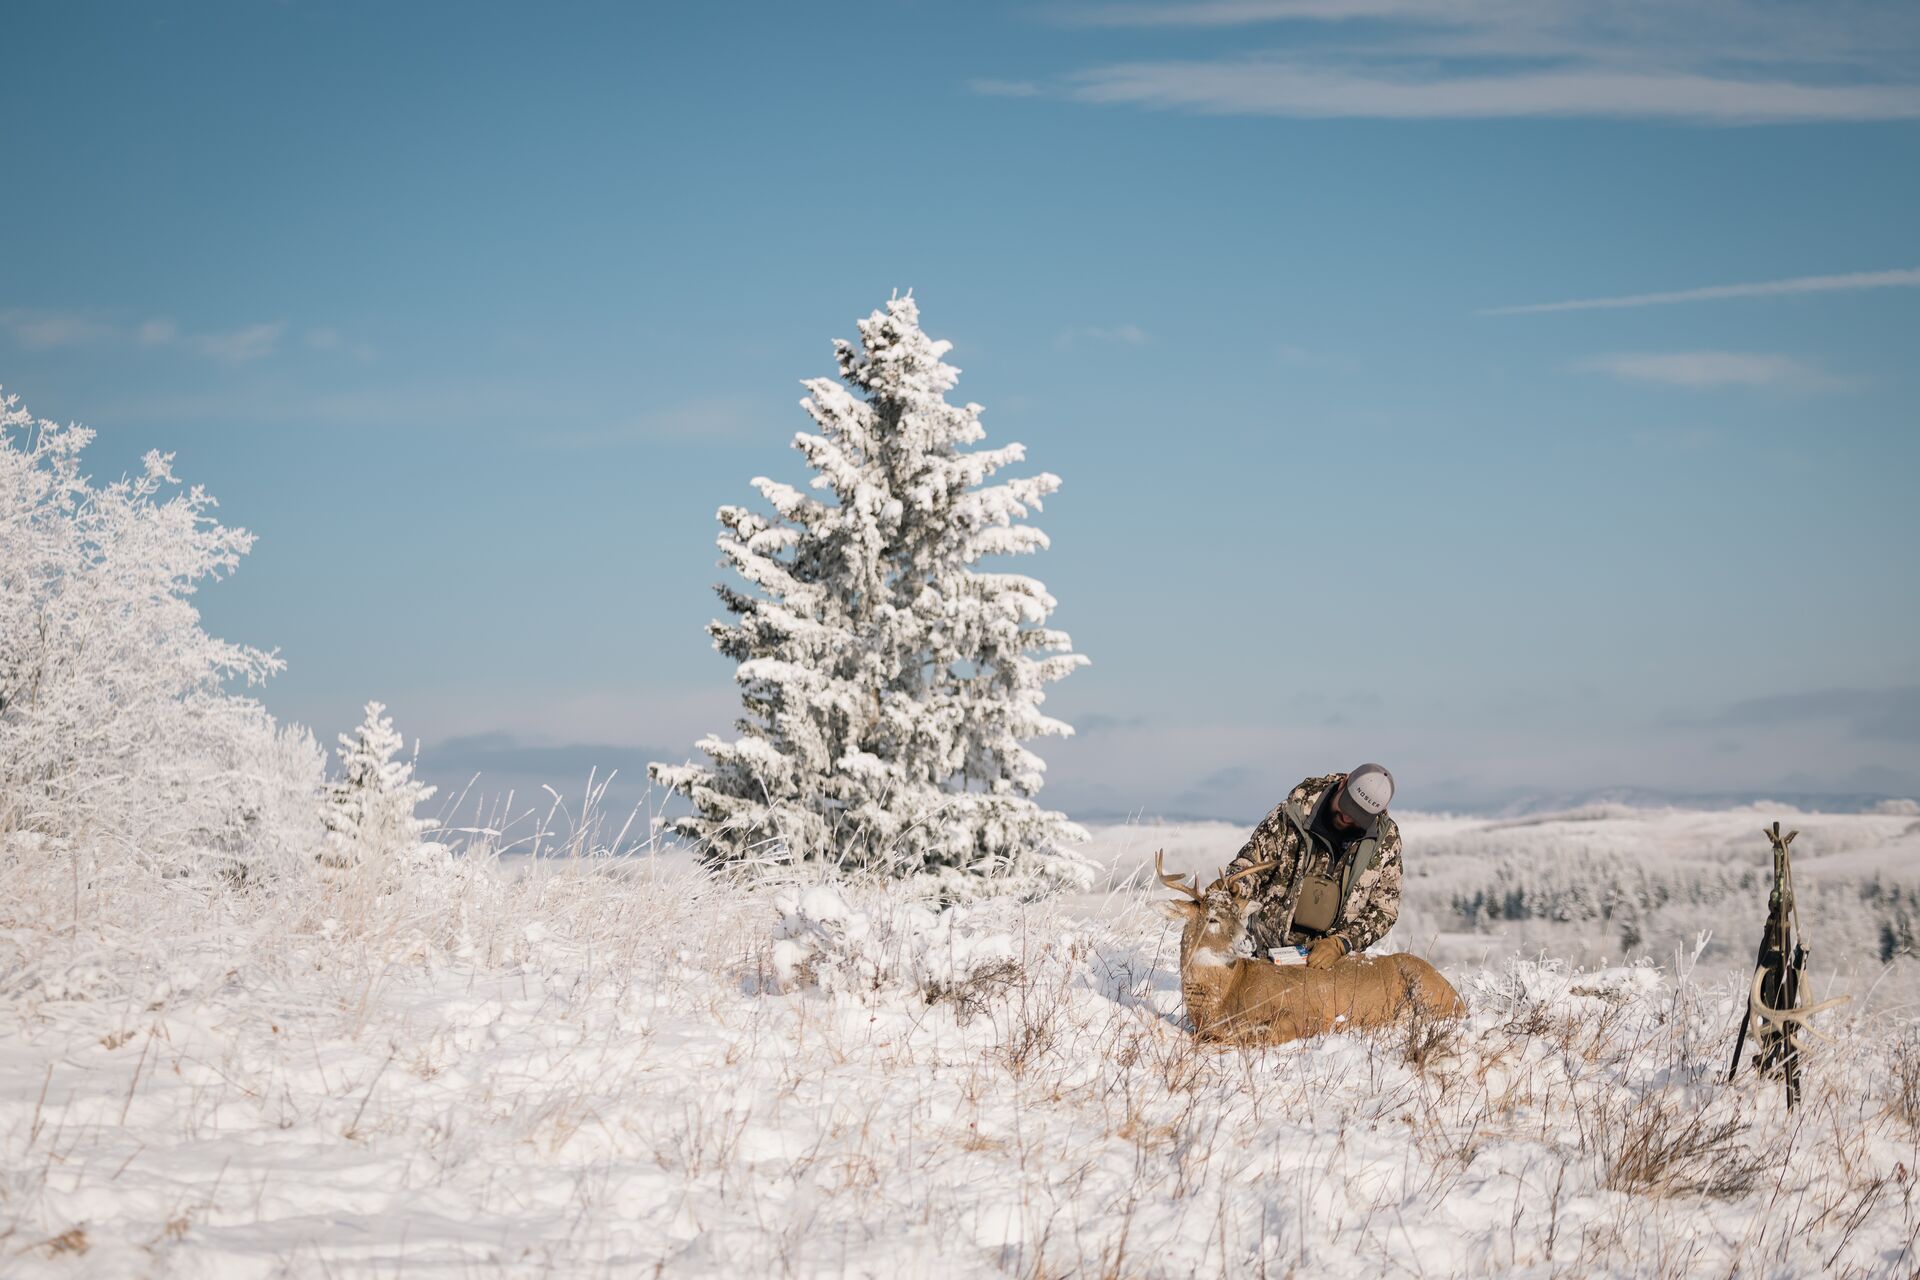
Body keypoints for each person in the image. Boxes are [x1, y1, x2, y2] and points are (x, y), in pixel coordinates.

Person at [1212, 763, 1402, 969]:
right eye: (1347, 806)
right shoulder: (1293, 812)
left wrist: (1341, 943)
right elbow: (1253, 863)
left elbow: (1384, 909)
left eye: (1359, 817)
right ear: (1343, 784)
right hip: (1267, 959)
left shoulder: (1385, 842)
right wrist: (1237, 887)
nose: (1347, 817)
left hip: (1328, 968)